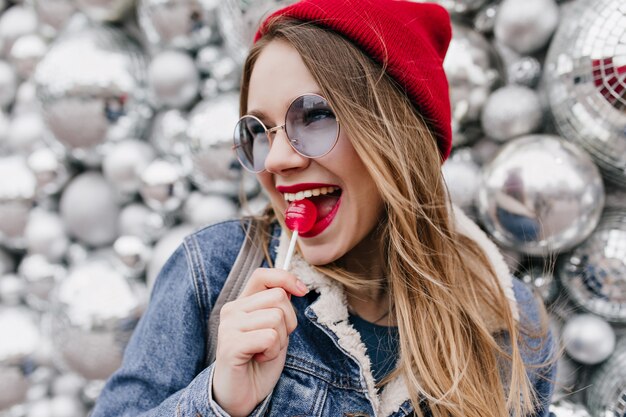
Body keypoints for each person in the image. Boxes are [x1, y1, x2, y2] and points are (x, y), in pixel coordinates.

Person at [91, 0, 557, 416]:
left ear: (398, 133)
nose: (275, 161)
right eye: (259, 131)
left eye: (313, 116)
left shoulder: (508, 322)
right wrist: (218, 401)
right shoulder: (213, 273)